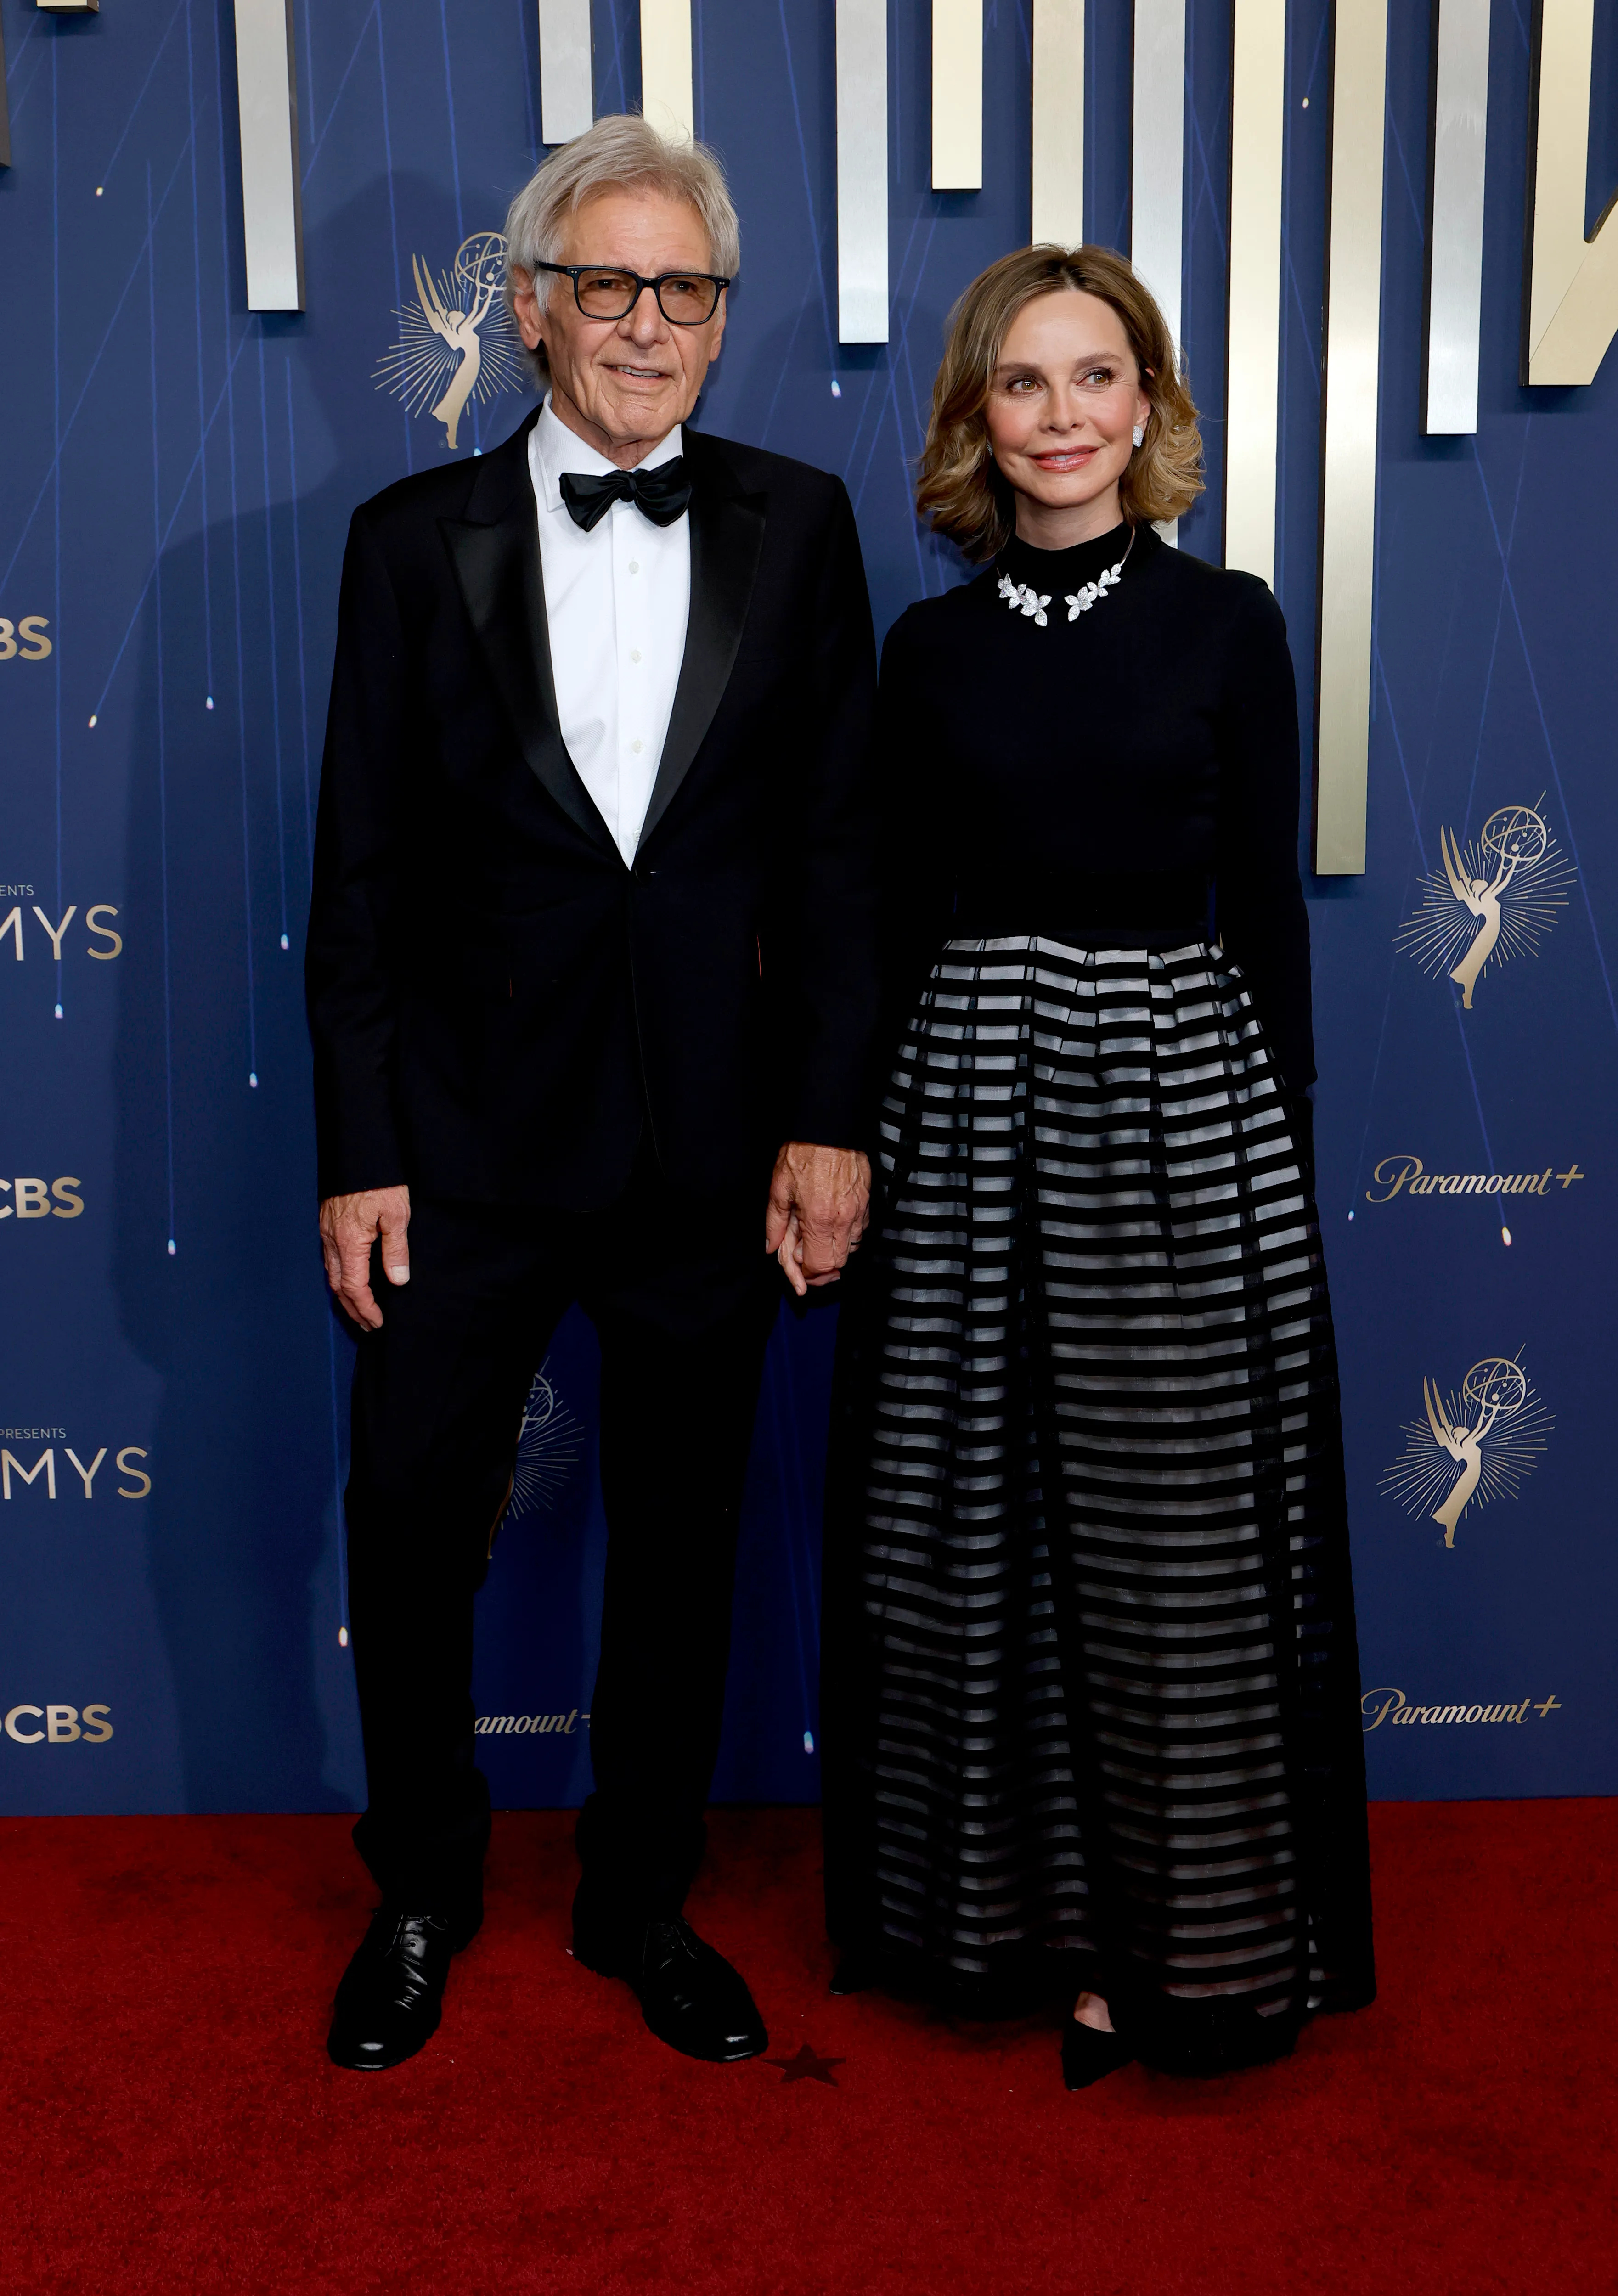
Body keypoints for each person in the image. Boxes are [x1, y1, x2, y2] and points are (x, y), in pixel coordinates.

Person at [306, 115, 877, 2073]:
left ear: (722, 323)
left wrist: (825, 1121)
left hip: (709, 1145)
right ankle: (425, 1888)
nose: (648, 323)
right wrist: (361, 1152)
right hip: (462, 1143)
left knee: (690, 1529)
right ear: (534, 309)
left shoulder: (804, 527)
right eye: (611, 284)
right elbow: (358, 876)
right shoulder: (409, 543)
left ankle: (639, 1895)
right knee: (401, 1509)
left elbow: (830, 865)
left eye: (687, 290)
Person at [820, 245, 1374, 2089]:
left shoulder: (1228, 623)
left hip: (1173, 1095)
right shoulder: (931, 649)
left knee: (1174, 1540)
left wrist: (1277, 1150)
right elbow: (888, 914)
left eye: (1098, 376)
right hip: (970, 1095)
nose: (1065, 415)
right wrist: (848, 1137)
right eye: (1025, 382)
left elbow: (1268, 913)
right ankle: (1016, 1927)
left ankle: (1184, 1942)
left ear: (1147, 407)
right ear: (979, 416)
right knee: (971, 1520)